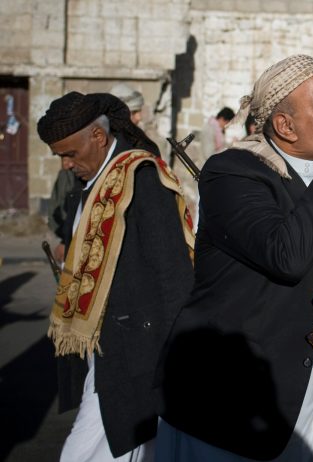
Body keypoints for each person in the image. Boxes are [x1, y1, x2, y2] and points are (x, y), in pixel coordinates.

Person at [156, 54, 313, 461]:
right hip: (229, 403)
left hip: (302, 394)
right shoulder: (234, 172)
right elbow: (287, 255)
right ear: (285, 126)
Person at [36, 92, 195, 461]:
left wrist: (179, 355)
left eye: (69, 153)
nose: (64, 164)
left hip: (138, 352)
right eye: (59, 155)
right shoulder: (96, 181)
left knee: (85, 453)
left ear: (98, 136)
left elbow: (172, 273)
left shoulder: (142, 178)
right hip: (106, 349)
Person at [47, 85, 148, 265]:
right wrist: (65, 240)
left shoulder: (141, 163)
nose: (139, 118)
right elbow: (71, 207)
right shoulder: (84, 163)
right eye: (134, 111)